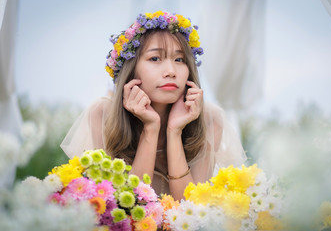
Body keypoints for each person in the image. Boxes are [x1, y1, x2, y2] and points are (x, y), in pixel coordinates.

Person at [61, 11, 246, 200]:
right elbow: (128, 206)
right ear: (131, 70)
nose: (171, 71)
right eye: (155, 58)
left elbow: (191, 208)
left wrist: (174, 131)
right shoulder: (103, 114)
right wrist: (151, 128)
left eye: (179, 59)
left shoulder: (208, 118)